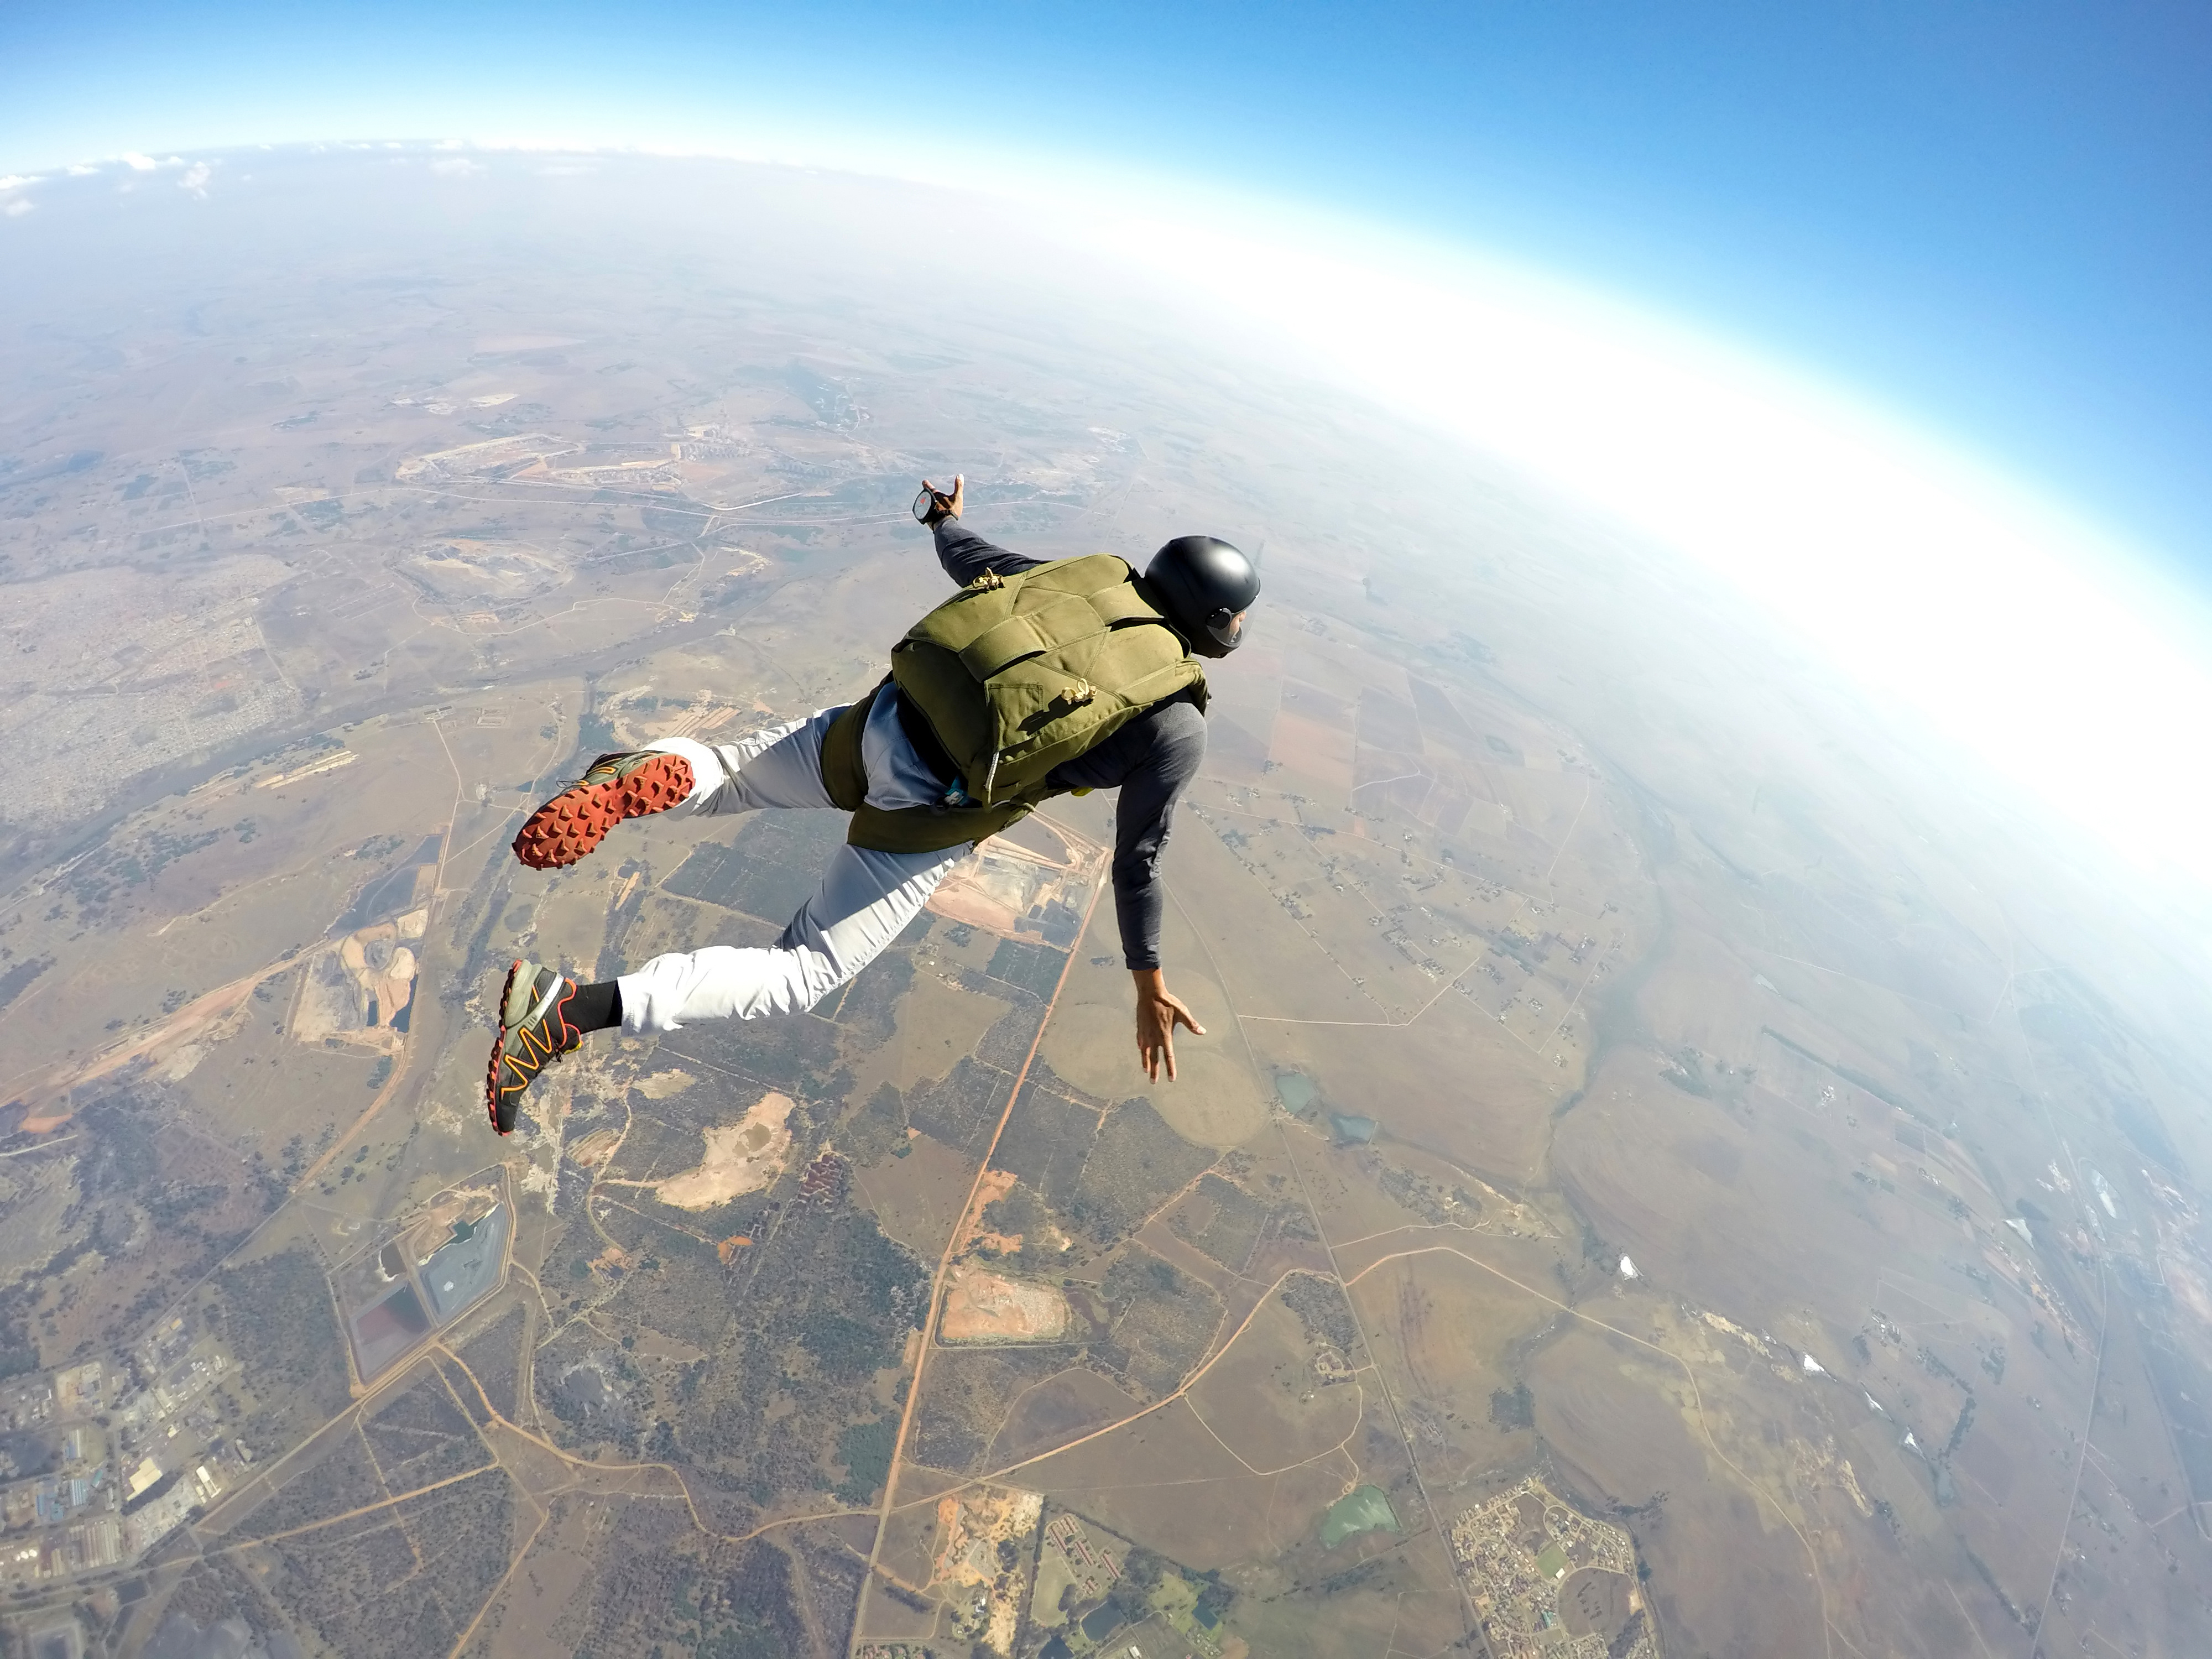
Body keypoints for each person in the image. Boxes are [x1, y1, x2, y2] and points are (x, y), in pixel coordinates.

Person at [483, 475, 1261, 1135]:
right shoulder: (1176, 722)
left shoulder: (1087, 583)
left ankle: (644, 770)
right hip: (930, 810)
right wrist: (1148, 980)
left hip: (876, 724)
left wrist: (942, 518)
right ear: (1215, 620)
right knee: (804, 972)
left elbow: (977, 567)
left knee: (730, 773)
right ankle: (566, 1011)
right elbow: (1139, 864)